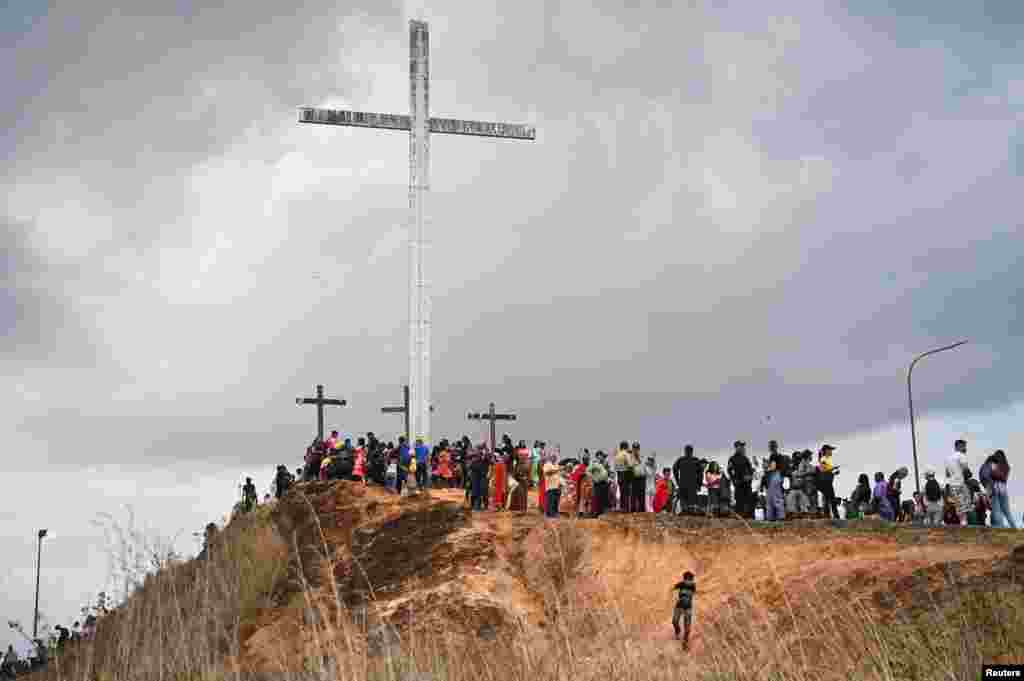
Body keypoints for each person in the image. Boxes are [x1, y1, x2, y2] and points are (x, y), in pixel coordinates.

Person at [981, 450, 1017, 529]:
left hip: (995, 487)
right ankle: (1014, 527)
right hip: (1003, 488)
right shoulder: (1006, 466)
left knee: (996, 509)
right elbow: (1004, 478)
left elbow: (990, 475)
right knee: (1007, 511)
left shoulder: (993, 464)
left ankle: (1000, 527)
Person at [946, 439, 972, 525]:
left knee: (959, 504)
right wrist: (968, 474)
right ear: (959, 446)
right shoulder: (961, 455)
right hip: (960, 483)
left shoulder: (949, 458)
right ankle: (964, 522)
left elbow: (947, 474)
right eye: (964, 446)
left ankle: (962, 521)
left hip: (952, 484)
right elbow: (966, 469)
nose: (965, 448)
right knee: (966, 502)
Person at [728, 441, 755, 518]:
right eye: (741, 446)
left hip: (747, 483)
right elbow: (729, 470)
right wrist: (734, 480)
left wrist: (750, 476)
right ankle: (739, 516)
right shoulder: (732, 459)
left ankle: (749, 516)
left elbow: (750, 469)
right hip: (738, 483)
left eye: (743, 447)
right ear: (736, 447)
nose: (743, 448)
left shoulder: (746, 458)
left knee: (749, 499)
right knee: (739, 500)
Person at [671, 571, 697, 647]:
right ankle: (678, 632)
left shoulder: (693, 586)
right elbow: (673, 588)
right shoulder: (681, 584)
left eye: (690, 579)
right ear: (684, 579)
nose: (688, 581)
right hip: (679, 606)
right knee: (674, 621)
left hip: (688, 608)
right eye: (687, 579)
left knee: (687, 627)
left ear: (692, 580)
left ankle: (685, 642)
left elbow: (693, 592)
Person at [673, 445, 701, 515]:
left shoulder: (680, 460)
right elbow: (700, 474)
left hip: (683, 484)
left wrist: (677, 480)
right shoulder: (696, 460)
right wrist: (699, 484)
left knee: (683, 502)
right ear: (692, 451)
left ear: (685, 451)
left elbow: (674, 469)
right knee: (691, 504)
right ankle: (690, 513)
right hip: (693, 485)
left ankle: (684, 511)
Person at [816, 445, 840, 520]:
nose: (831, 451)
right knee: (831, 500)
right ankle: (835, 517)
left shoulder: (825, 459)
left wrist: (833, 473)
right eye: (830, 450)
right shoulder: (823, 459)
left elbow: (825, 471)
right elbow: (822, 470)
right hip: (826, 483)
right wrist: (833, 468)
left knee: (828, 499)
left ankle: (828, 516)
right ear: (826, 450)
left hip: (826, 482)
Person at [764, 454, 786, 522]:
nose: (772, 464)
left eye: (773, 463)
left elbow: (783, 483)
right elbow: (765, 483)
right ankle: (770, 518)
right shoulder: (768, 473)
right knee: (769, 504)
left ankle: (780, 518)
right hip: (770, 492)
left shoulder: (780, 472)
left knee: (778, 503)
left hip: (777, 491)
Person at [543, 453, 562, 519]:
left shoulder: (557, 465)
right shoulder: (547, 464)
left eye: (555, 457)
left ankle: (555, 513)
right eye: (553, 457)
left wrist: (560, 483)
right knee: (550, 500)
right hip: (550, 486)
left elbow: (559, 475)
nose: (554, 458)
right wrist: (556, 470)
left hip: (557, 485)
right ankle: (549, 514)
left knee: (556, 501)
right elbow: (547, 472)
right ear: (550, 458)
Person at [615, 442, 632, 512]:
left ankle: (622, 507)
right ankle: (626, 508)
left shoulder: (617, 455)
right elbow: (630, 464)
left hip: (619, 474)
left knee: (622, 491)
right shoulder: (625, 454)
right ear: (626, 447)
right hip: (626, 473)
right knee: (626, 492)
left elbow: (615, 466)